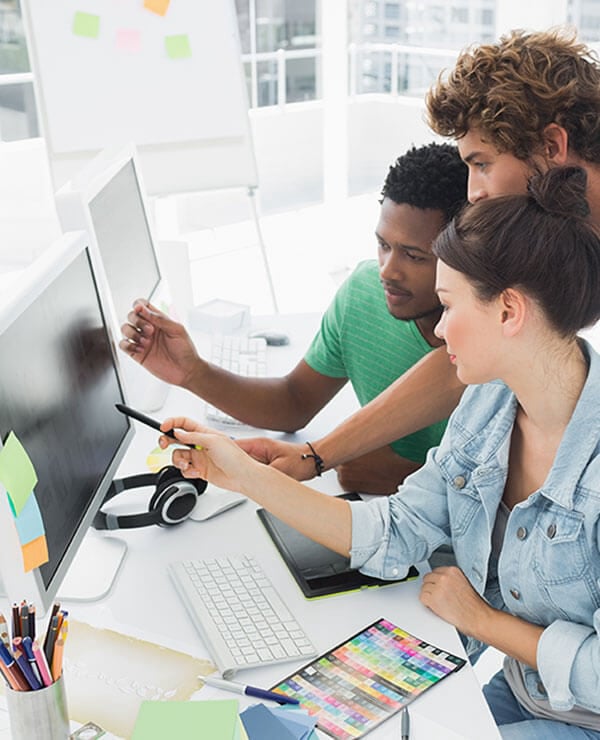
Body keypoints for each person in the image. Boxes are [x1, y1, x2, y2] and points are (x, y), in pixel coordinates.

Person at [159, 167, 600, 738]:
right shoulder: (489, 404)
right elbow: (395, 529)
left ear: (509, 312)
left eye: (449, 306)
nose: (439, 331)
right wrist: (245, 475)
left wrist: (481, 620)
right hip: (530, 690)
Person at [237, 27, 600, 486]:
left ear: (552, 146)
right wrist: (315, 456)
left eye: (482, 164)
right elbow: (455, 368)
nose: (474, 193)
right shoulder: (545, 225)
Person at [120, 143, 467, 494]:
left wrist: (404, 476)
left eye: (413, 256)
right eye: (383, 246)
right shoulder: (363, 293)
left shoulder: (488, 347)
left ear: (464, 253)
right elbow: (294, 402)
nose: (388, 271)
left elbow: (497, 487)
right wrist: (193, 372)